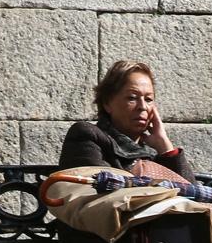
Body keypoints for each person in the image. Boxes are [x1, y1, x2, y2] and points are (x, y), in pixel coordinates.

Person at [59, 59, 194, 177]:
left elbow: (196, 199)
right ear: (107, 103)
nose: (143, 107)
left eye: (148, 99)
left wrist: (165, 147)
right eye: (132, 98)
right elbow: (100, 191)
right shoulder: (88, 135)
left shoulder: (155, 151)